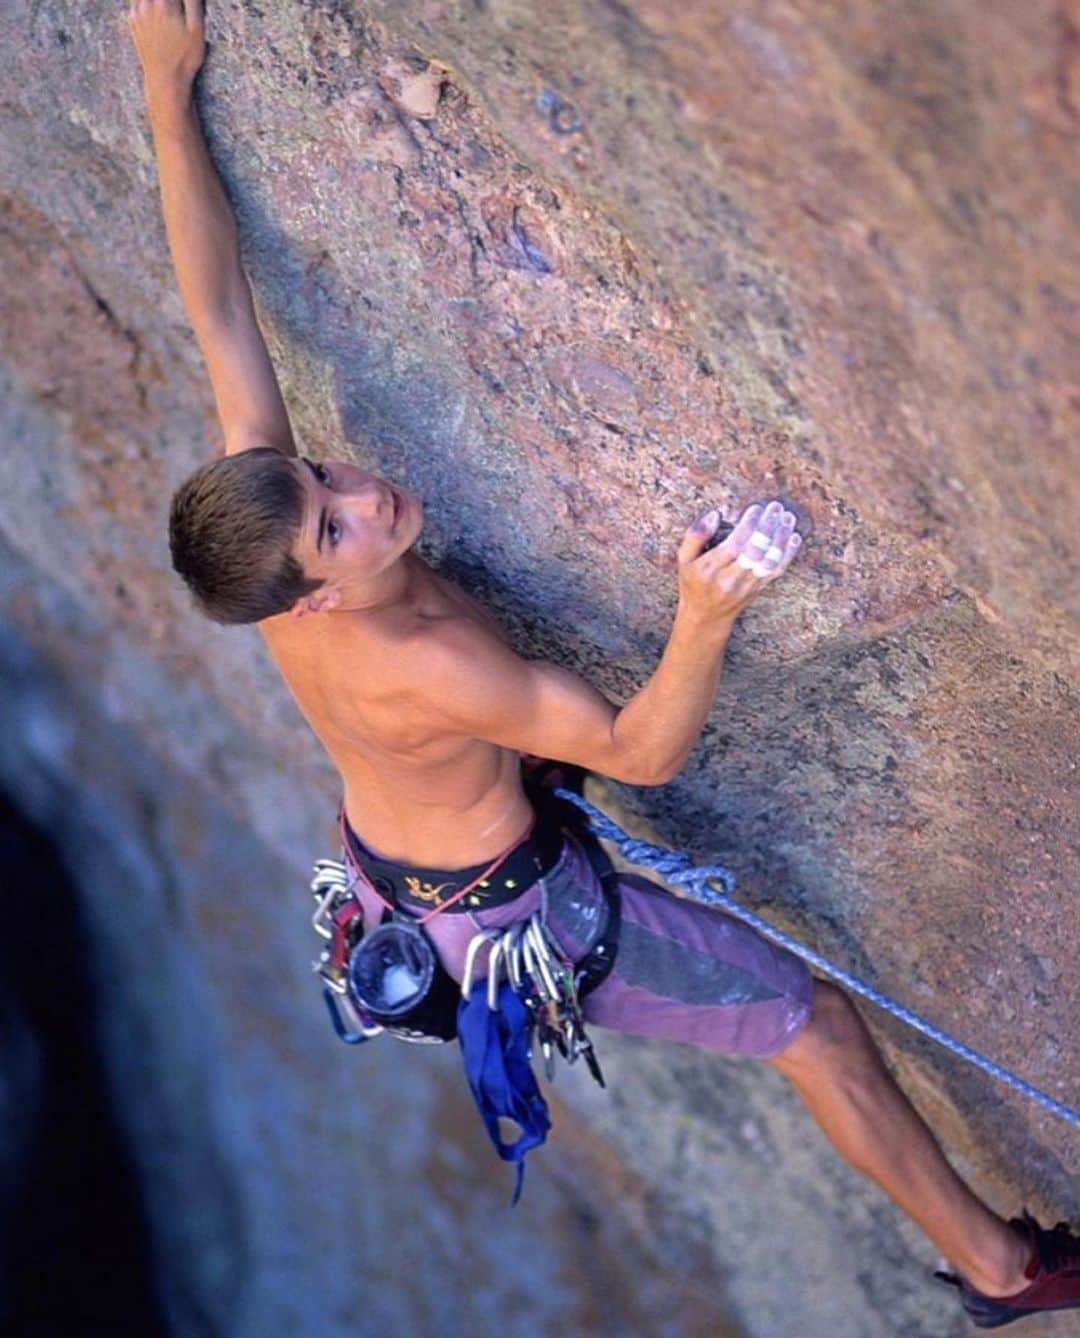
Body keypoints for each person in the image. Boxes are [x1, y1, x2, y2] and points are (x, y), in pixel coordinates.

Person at [128, 1, 1079, 1327]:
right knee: (806, 1021)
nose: (362, 495)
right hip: (513, 917)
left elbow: (216, 302)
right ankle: (1000, 1271)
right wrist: (702, 610)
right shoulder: (428, 663)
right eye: (337, 525)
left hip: (410, 864)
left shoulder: (281, 547)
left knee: (799, 1012)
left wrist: (163, 90)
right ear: (313, 596)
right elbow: (638, 752)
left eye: (324, 474)